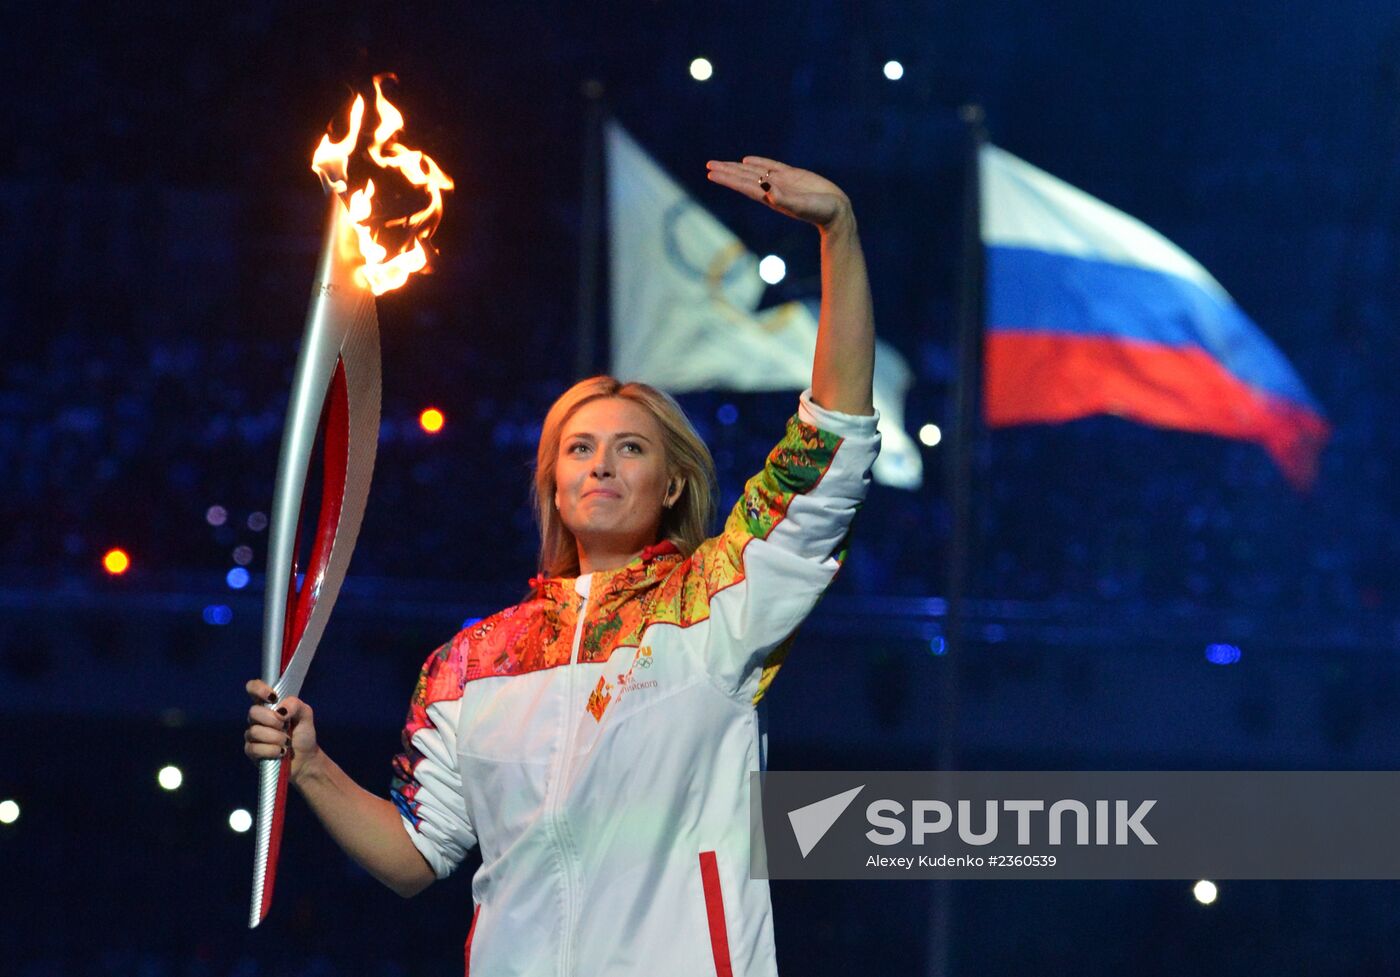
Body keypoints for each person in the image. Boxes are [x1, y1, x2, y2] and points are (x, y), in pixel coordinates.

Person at [245, 154, 882, 976]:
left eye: (631, 447)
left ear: (672, 482)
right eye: (579, 447)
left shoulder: (719, 603)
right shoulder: (469, 665)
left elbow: (829, 445)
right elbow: (414, 854)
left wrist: (838, 232)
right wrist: (309, 764)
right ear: (553, 481)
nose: (602, 463)